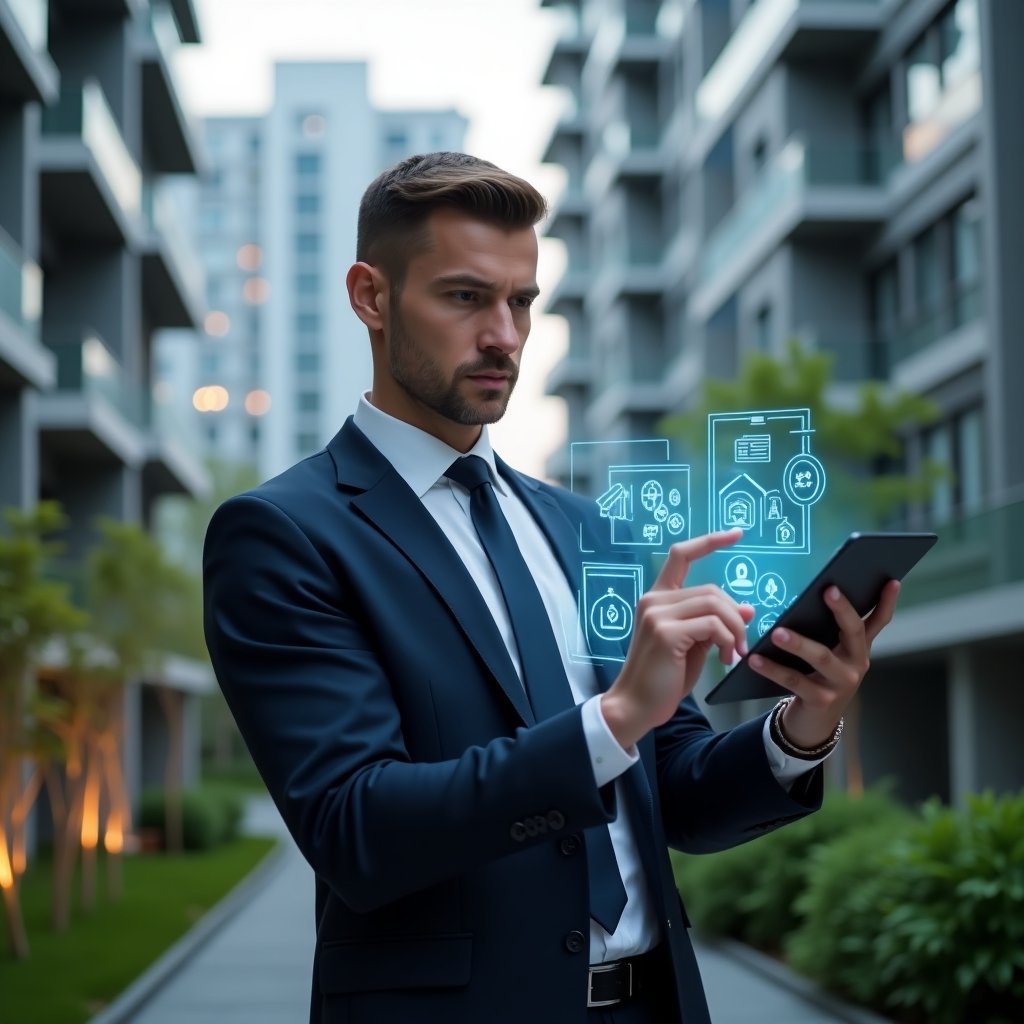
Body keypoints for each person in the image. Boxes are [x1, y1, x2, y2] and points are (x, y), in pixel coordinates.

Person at [203, 152, 900, 1024]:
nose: (504, 335)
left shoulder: (586, 530)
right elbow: (358, 830)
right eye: (466, 297)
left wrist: (802, 726)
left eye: (522, 301)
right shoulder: (284, 534)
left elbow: (674, 793)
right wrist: (613, 719)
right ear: (370, 297)